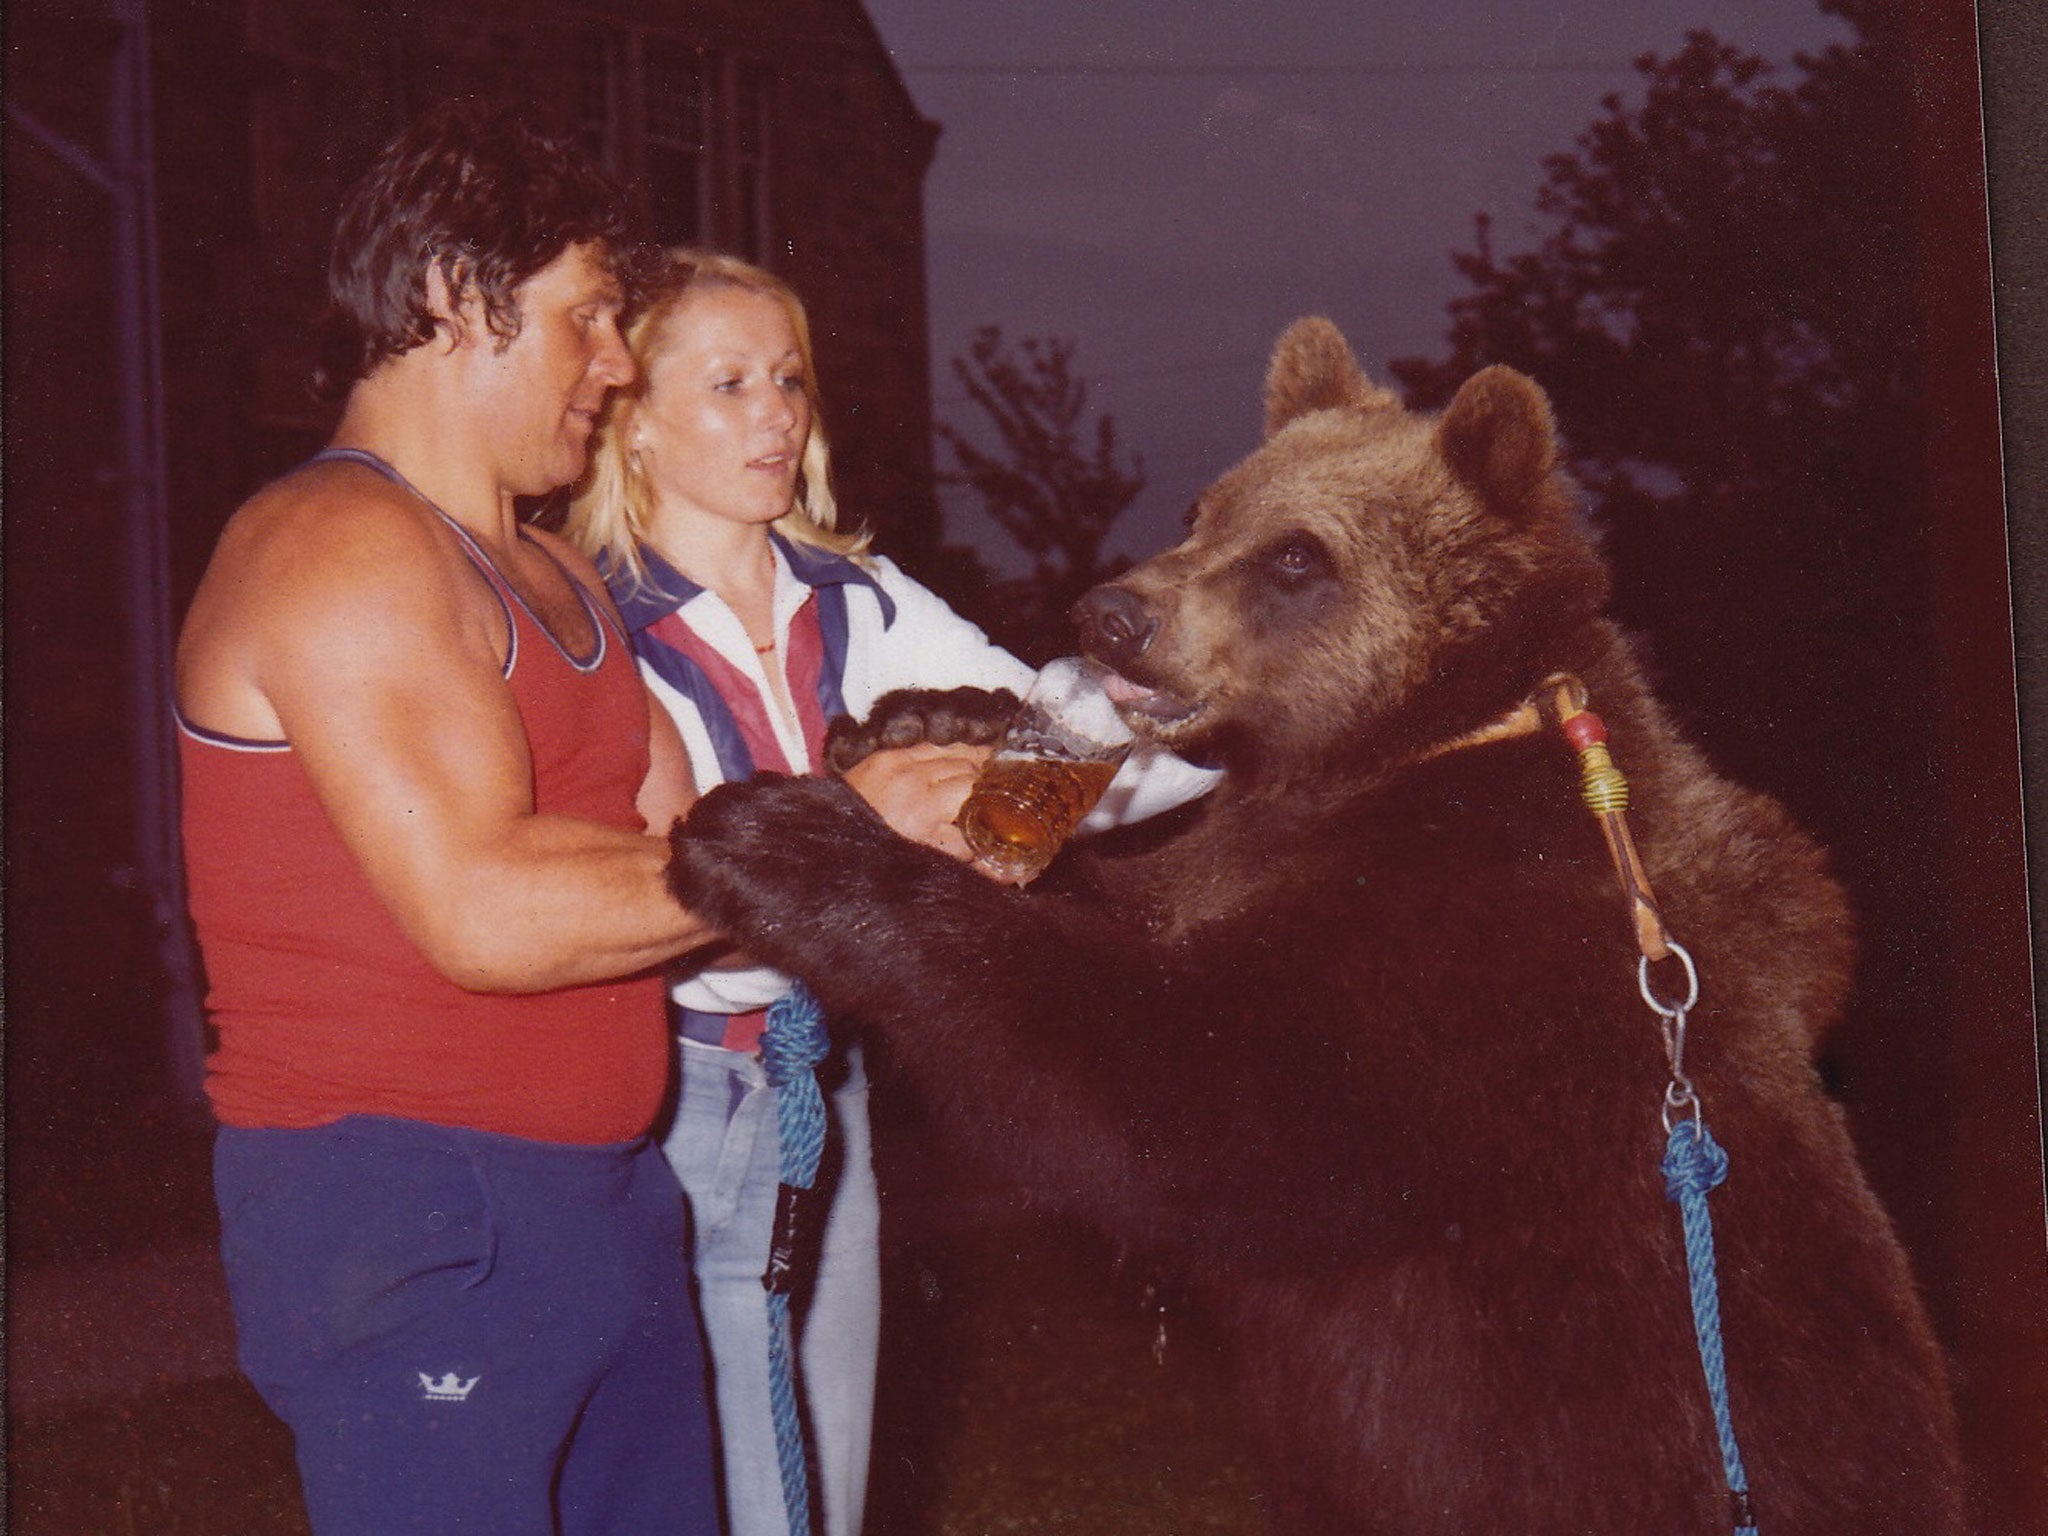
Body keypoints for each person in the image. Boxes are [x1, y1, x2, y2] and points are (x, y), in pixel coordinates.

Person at [174, 104, 977, 1536]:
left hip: (611, 1197)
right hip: (417, 1202)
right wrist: (849, 833)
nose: (614, 366)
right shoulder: (339, 544)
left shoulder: (554, 571)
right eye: (590, 321)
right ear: (447, 302)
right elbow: (489, 909)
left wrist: (952, 832)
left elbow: (696, 856)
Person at [562, 249, 1217, 1536]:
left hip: (824, 1089)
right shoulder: (593, 621)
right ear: (629, 419)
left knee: (826, 1472)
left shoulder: (855, 600)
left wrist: (1194, 712)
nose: (774, 414)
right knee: (713, 1487)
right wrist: (911, 825)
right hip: (671, 1096)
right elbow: (693, 886)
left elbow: (1053, 775)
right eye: (729, 383)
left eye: (789, 380)